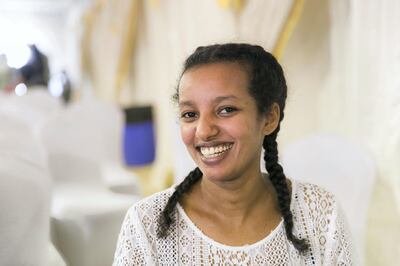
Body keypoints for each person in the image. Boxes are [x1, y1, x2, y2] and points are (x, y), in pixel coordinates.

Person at [113, 43, 354, 265]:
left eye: (226, 110)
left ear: (270, 117)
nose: (204, 130)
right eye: (190, 114)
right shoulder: (146, 224)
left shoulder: (320, 215)